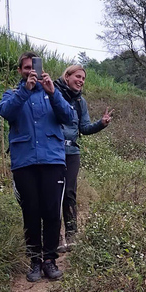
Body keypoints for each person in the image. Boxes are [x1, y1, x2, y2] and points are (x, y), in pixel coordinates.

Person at [0, 52, 75, 282]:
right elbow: (5, 112)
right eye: (26, 68)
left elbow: (69, 117)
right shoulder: (13, 94)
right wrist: (25, 91)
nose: (31, 71)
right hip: (24, 162)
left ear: (42, 69)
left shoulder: (53, 92)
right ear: (20, 71)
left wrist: (53, 93)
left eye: (34, 67)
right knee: (30, 212)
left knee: (52, 211)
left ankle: (50, 260)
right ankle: (34, 261)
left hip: (52, 160)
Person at [53, 65, 113, 252]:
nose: (81, 81)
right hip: (53, 152)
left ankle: (72, 235)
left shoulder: (80, 102)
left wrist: (101, 124)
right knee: (54, 194)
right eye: (77, 76)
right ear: (67, 76)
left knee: (69, 193)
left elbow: (84, 128)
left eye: (83, 78)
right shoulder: (52, 93)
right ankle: (55, 237)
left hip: (72, 153)